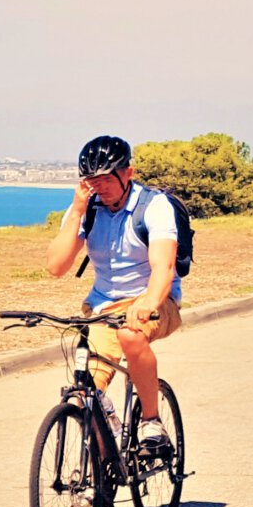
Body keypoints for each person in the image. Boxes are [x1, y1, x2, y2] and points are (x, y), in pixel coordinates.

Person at [43, 135, 182, 453]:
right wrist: (77, 210)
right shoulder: (88, 208)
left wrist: (148, 303)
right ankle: (100, 474)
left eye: (106, 179)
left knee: (132, 337)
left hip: (156, 300)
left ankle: (151, 422)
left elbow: (164, 265)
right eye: (92, 180)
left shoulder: (153, 206)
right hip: (103, 307)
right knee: (83, 394)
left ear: (128, 173)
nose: (100, 187)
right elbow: (56, 266)